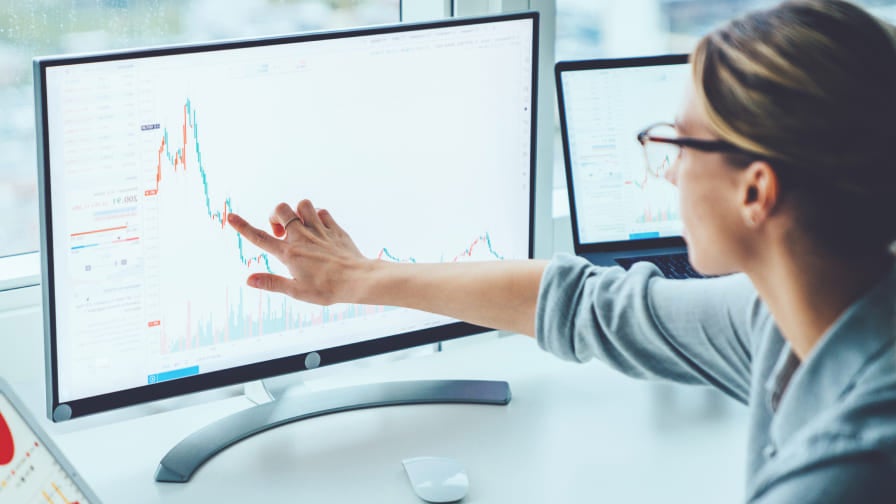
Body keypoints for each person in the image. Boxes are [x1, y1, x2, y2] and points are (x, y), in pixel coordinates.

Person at [227, 0, 896, 501]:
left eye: (679, 144)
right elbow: (585, 305)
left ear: (757, 193)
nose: (663, 169)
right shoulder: (800, 316)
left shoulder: (849, 467)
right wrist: (357, 277)